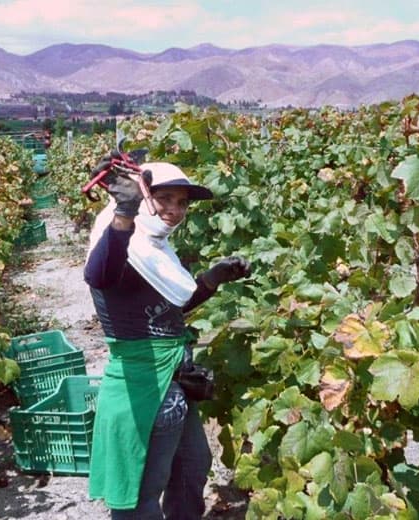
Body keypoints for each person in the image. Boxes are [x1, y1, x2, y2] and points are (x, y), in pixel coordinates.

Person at [84, 158, 250, 519]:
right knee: (143, 488)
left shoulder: (156, 249)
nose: (175, 210)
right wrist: (124, 213)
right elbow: (100, 274)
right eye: (165, 199)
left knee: (193, 465)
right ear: (142, 197)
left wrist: (212, 279)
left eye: (182, 202)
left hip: (172, 380)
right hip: (141, 385)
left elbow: (172, 306)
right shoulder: (118, 242)